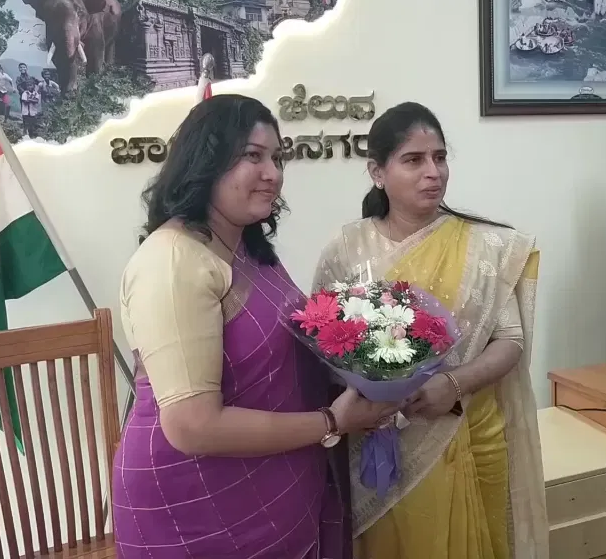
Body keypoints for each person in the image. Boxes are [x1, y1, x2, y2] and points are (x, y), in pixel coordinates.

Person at [113, 94, 398, 558]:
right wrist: (332, 421)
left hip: (276, 486)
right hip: (196, 507)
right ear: (205, 161)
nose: (273, 173)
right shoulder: (172, 261)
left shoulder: (246, 246)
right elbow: (191, 426)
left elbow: (295, 343)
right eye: (253, 156)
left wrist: (378, 360)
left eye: (277, 158)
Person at [313, 102, 548, 559]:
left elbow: (510, 339)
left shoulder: (484, 245)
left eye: (440, 157)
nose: (433, 172)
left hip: (469, 427)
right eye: (413, 160)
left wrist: (453, 383)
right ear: (377, 172)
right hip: (381, 439)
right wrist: (373, 395)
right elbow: (324, 340)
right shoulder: (347, 246)